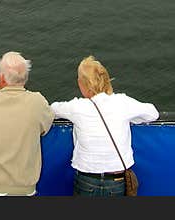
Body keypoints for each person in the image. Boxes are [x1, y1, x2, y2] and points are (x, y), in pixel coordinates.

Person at [51, 55, 158, 196]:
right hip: (117, 180)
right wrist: (133, 119)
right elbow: (153, 113)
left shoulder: (76, 107)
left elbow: (52, 109)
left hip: (86, 179)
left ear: (81, 84)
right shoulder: (122, 102)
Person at [0, 51, 54, 196]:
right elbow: (44, 128)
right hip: (21, 189)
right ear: (25, 77)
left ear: (1, 78)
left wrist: (1, 85)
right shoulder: (37, 102)